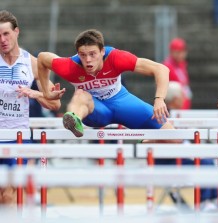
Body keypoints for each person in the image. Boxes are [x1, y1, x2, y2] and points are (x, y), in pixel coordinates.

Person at [37, 29, 176, 138]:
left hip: (121, 101)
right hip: (96, 110)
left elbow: (161, 69)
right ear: (78, 54)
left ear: (102, 51)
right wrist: (46, 92)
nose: (88, 60)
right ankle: (74, 120)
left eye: (93, 54)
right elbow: (42, 58)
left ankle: (146, 140)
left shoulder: (116, 58)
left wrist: (159, 99)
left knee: (174, 137)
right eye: (83, 55)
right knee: (81, 94)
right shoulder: (70, 66)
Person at [0, 10, 62, 204]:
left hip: (18, 137)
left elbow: (54, 103)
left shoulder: (33, 63)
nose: (2, 39)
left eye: (6, 33)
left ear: (16, 32)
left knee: (8, 194)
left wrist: (34, 93)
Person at [156, 81, 218, 211]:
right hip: (167, 161)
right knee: (205, 164)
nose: (184, 99)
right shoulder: (164, 115)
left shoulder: (176, 114)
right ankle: (205, 202)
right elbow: (173, 142)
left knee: (207, 161)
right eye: (181, 96)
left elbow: (181, 141)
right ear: (175, 99)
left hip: (177, 156)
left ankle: (211, 201)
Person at [163, 38, 192, 109]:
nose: (181, 55)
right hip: (173, 108)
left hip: (184, 106)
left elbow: (185, 84)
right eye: (178, 52)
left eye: (183, 52)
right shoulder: (167, 66)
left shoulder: (182, 64)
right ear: (171, 52)